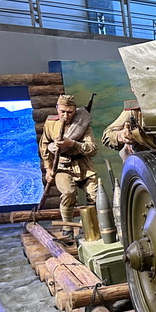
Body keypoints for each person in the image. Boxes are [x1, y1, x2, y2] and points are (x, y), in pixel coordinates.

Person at [40, 94, 98, 241]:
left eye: (70, 112)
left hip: (83, 166)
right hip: (62, 166)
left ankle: (88, 226)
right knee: (68, 193)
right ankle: (67, 229)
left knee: (94, 195)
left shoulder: (82, 124)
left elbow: (92, 149)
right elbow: (44, 146)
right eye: (62, 111)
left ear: (75, 110)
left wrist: (72, 144)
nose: (66, 115)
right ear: (57, 109)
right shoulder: (51, 124)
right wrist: (48, 169)